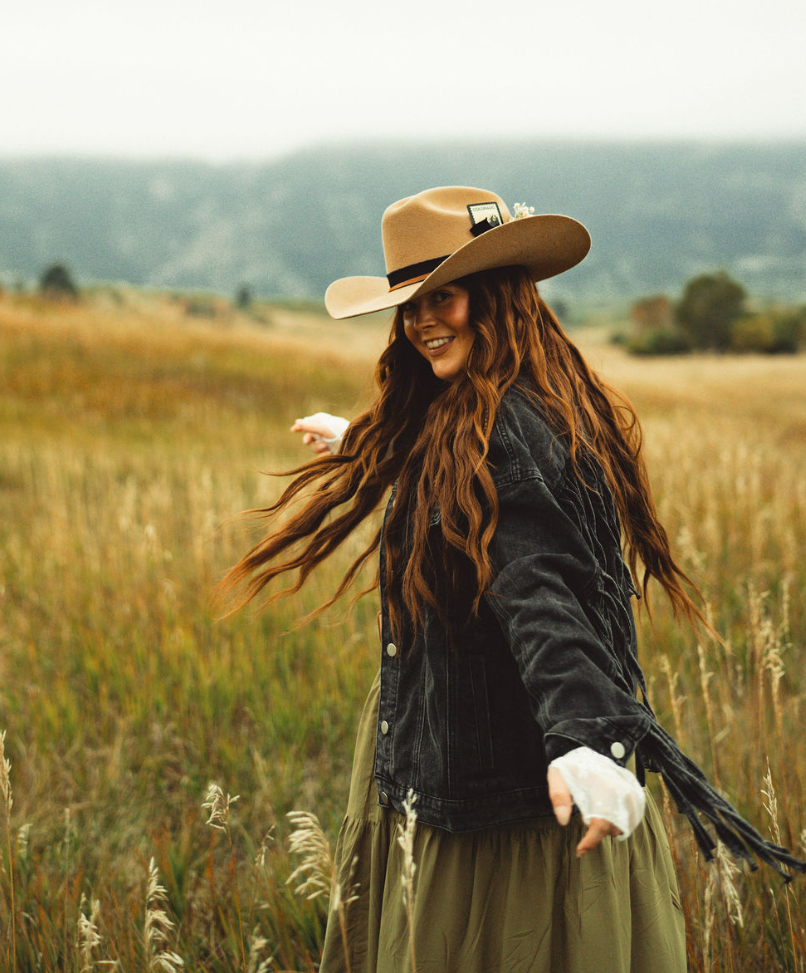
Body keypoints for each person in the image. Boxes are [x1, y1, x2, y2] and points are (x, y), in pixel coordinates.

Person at [224, 187, 805, 973]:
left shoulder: (502, 430)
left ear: (496, 297)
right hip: (471, 743)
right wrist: (365, 441)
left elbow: (539, 588)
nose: (423, 320)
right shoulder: (504, 405)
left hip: (501, 791)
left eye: (445, 296)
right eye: (410, 305)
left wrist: (585, 738)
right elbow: (463, 492)